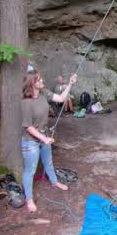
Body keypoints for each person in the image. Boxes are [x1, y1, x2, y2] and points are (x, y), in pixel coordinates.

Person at [20, 70, 76, 213]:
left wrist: (70, 84)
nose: (42, 81)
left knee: (48, 162)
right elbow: (28, 126)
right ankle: (29, 199)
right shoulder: (26, 103)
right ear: (32, 83)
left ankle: (55, 182)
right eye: (39, 79)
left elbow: (61, 99)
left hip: (44, 136)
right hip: (30, 141)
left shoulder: (44, 93)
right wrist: (44, 138)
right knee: (30, 170)